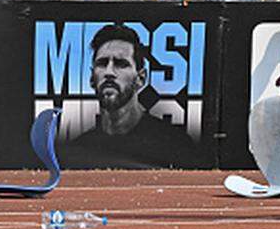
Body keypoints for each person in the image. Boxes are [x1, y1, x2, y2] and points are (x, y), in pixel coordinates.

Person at [65, 24, 198, 169]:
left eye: (121, 64)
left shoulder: (176, 144)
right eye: (102, 64)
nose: (109, 72)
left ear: (140, 78)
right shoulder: (79, 148)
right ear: (92, 78)